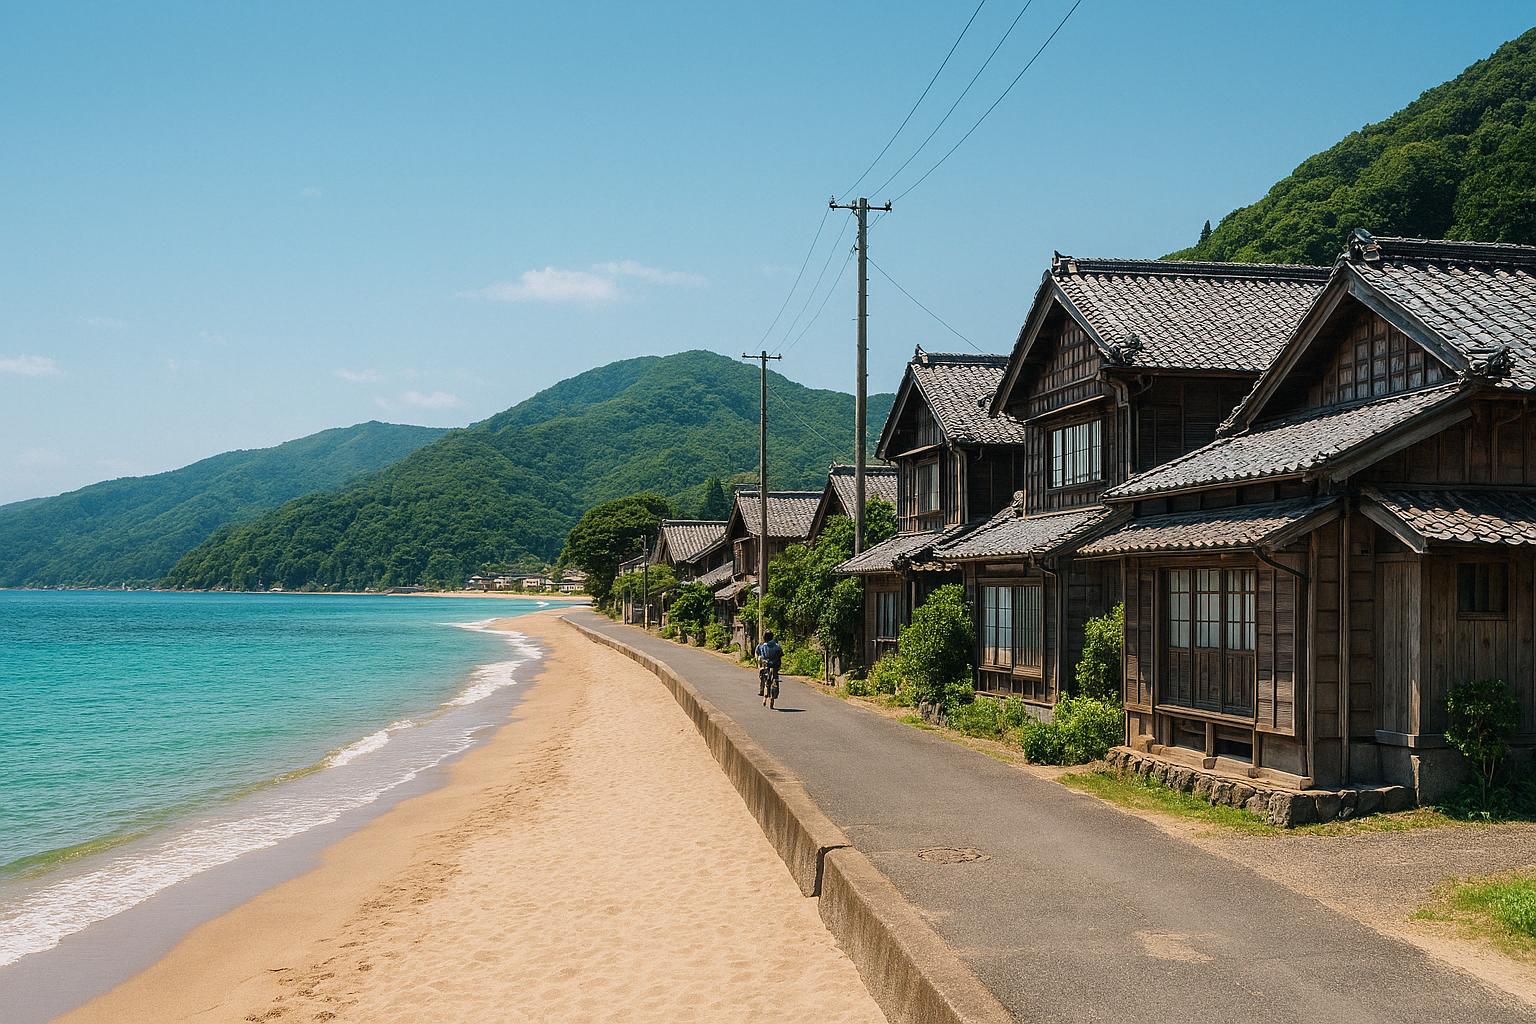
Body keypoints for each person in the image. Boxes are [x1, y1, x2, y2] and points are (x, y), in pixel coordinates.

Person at [755, 630, 783, 709]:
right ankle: (773, 697)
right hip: (775, 666)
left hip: (767, 666)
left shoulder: (763, 646)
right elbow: (780, 655)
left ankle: (764, 695)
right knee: (775, 679)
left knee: (766, 681)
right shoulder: (777, 646)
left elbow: (762, 656)